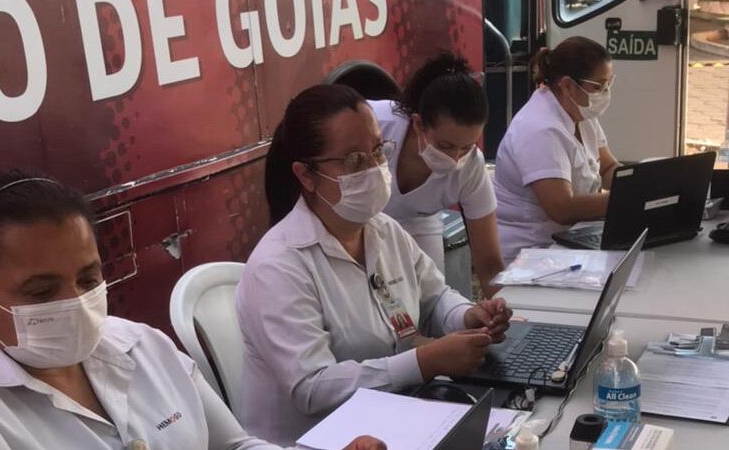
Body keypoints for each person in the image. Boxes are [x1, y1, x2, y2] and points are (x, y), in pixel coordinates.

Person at [0, 170, 384, 450]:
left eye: (88, 279)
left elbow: (232, 446)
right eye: (42, 292)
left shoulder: (142, 346)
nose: (76, 302)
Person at [236, 84, 513, 445]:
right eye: (353, 160)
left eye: (377, 151)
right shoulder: (279, 266)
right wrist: (425, 361)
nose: (373, 169)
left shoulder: (384, 230)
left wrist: (468, 316)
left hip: (393, 421)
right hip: (318, 440)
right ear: (306, 175)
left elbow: (433, 298)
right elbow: (312, 388)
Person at [369, 53, 504, 298]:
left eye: (466, 147)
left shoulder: (472, 166)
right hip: (359, 222)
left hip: (420, 221)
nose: (455, 160)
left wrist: (508, 316)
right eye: (445, 146)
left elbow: (489, 262)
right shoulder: (374, 127)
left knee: (431, 299)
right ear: (419, 124)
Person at [494, 36, 621, 262]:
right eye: (598, 87)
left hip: (570, 240)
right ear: (568, 86)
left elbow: (608, 167)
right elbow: (562, 208)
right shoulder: (539, 129)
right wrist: (628, 198)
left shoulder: (582, 112)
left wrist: (640, 183)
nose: (605, 94)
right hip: (533, 252)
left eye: (609, 85)